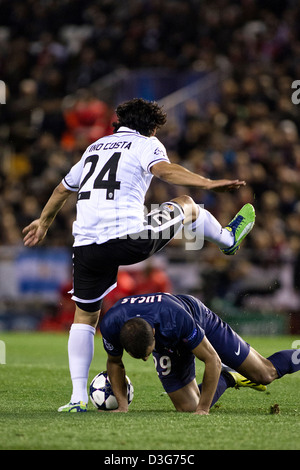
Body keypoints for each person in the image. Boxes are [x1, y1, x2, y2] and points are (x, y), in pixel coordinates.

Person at [22, 98, 255, 412]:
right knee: (186, 203)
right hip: (131, 237)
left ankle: (77, 398)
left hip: (88, 245)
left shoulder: (94, 147)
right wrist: (208, 182)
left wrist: (44, 222)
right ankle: (227, 239)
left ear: (117, 123)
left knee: (86, 317)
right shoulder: (146, 143)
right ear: (153, 128)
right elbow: (164, 171)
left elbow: (64, 189)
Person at [100, 292, 300, 415]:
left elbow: (211, 359)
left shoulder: (175, 318)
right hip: (166, 340)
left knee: (264, 374)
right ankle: (229, 377)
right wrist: (122, 406)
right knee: (188, 406)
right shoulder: (110, 325)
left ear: (153, 332)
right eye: (142, 357)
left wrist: (204, 409)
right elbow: (115, 362)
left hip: (197, 318)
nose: (146, 359)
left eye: (147, 353)